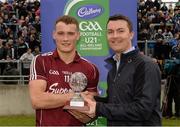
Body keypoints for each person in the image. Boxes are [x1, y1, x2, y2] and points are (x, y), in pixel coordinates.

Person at [79, 14, 162, 126]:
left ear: (131, 35)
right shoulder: (114, 67)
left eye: (120, 31)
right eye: (110, 32)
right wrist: (93, 99)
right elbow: (115, 102)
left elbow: (143, 110)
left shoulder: (146, 65)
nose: (115, 36)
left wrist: (98, 107)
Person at [28, 15, 99, 126]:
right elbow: (37, 100)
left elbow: (92, 110)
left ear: (78, 36)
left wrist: (88, 114)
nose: (65, 39)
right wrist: (72, 96)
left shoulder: (91, 68)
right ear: (54, 35)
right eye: (61, 33)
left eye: (70, 34)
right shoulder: (40, 61)